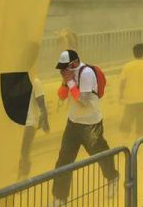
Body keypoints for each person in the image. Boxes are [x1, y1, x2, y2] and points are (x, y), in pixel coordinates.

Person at [52, 50, 117, 204]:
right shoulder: (69, 76)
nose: (63, 71)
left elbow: (83, 100)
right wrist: (65, 81)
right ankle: (60, 197)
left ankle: (112, 177)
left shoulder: (86, 73)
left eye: (65, 67)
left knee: (100, 154)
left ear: (74, 63)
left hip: (91, 124)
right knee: (63, 160)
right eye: (61, 69)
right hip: (73, 123)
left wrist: (70, 82)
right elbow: (61, 96)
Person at [118, 43, 143, 139]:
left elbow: (122, 83)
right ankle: (138, 149)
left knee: (126, 126)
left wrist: (121, 96)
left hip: (130, 100)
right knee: (141, 128)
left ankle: (124, 145)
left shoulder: (127, 66)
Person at [18, 76, 50, 180]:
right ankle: (20, 176)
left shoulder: (35, 81)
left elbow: (41, 103)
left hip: (30, 122)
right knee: (19, 151)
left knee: (25, 150)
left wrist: (45, 121)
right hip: (19, 123)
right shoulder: (17, 81)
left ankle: (24, 177)